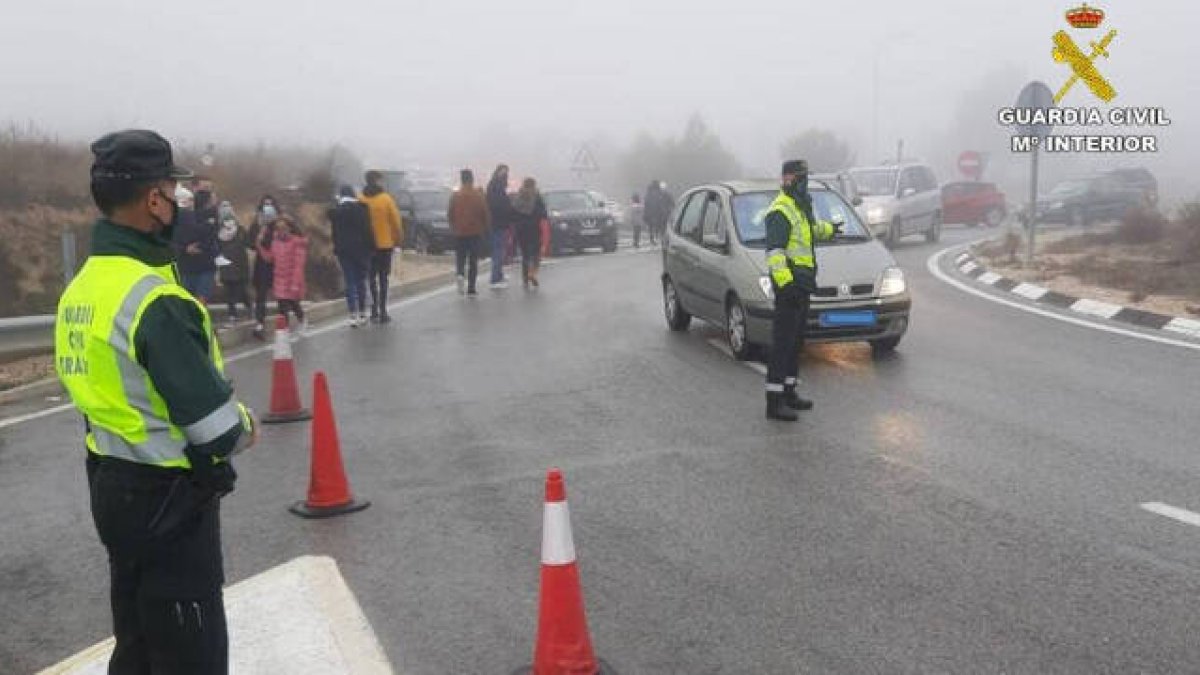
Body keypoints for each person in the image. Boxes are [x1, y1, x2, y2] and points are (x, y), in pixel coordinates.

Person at [54, 130, 257, 674]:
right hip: (171, 504)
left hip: (111, 489)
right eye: (172, 188)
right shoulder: (157, 301)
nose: (178, 199)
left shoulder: (83, 287)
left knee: (139, 646)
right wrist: (246, 424)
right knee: (192, 655)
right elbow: (218, 429)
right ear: (153, 200)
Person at [763, 159, 841, 421]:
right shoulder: (780, 211)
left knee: (796, 343)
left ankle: (789, 391)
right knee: (783, 344)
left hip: (803, 285)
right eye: (802, 178)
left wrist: (831, 230)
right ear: (789, 179)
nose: (806, 182)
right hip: (790, 288)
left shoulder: (800, 206)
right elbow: (774, 253)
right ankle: (774, 402)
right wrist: (786, 286)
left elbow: (810, 231)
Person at [360, 170, 403, 323]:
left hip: (367, 245)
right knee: (383, 278)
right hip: (385, 244)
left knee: (370, 278)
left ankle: (373, 310)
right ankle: (383, 310)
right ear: (378, 181)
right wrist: (398, 239)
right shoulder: (386, 199)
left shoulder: (361, 198)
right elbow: (396, 221)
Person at [328, 185, 374, 327]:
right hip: (361, 250)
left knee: (350, 281)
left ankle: (352, 314)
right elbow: (368, 231)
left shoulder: (337, 212)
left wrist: (337, 248)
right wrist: (371, 248)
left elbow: (334, 233)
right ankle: (363, 312)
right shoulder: (363, 209)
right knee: (361, 280)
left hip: (344, 251)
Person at [260, 214, 308, 332]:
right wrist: (260, 246)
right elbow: (270, 258)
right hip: (279, 279)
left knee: (293, 303)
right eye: (278, 228)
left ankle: (302, 320)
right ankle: (284, 328)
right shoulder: (275, 242)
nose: (281, 231)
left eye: (284, 228)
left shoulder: (297, 242)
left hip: (292, 279)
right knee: (281, 305)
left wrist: (295, 284)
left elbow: (299, 265)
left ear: (290, 228)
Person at [447, 169, 489, 296]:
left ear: (462, 179)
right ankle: (471, 288)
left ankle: (460, 274)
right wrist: (485, 228)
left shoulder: (455, 195)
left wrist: (453, 227)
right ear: (472, 179)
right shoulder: (478, 195)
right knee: (473, 261)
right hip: (475, 231)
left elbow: (450, 213)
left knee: (460, 258)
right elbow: (484, 213)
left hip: (459, 232)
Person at [172, 186, 218, 303]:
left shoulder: (210, 216)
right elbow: (173, 240)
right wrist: (185, 249)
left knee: (198, 302)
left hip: (203, 266)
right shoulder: (181, 217)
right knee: (191, 302)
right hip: (187, 267)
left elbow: (212, 239)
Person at [246, 196, 279, 339]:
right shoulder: (257, 224)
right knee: (261, 294)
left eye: (270, 205)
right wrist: (258, 238)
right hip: (262, 264)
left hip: (279, 263)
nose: (268, 208)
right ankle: (259, 324)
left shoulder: (280, 224)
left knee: (282, 294)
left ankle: (288, 322)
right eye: (265, 205)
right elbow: (248, 242)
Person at [215, 200, 251, 327]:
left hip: (240, 264)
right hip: (226, 265)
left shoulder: (240, 229)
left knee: (241, 291)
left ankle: (249, 308)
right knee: (229, 291)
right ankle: (232, 315)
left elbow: (249, 243)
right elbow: (216, 248)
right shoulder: (217, 232)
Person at [512, 177, 547, 289]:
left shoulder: (518, 197)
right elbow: (543, 213)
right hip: (534, 228)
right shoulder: (537, 196)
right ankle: (532, 273)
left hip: (521, 229)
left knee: (525, 255)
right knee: (536, 253)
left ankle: (525, 279)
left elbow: (513, 212)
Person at [485, 164, 514, 289]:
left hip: (498, 222)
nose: (505, 175)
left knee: (500, 249)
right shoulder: (496, 187)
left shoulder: (496, 186)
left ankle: (499, 275)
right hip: (497, 222)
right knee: (498, 250)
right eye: (504, 173)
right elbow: (498, 205)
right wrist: (508, 209)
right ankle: (495, 278)